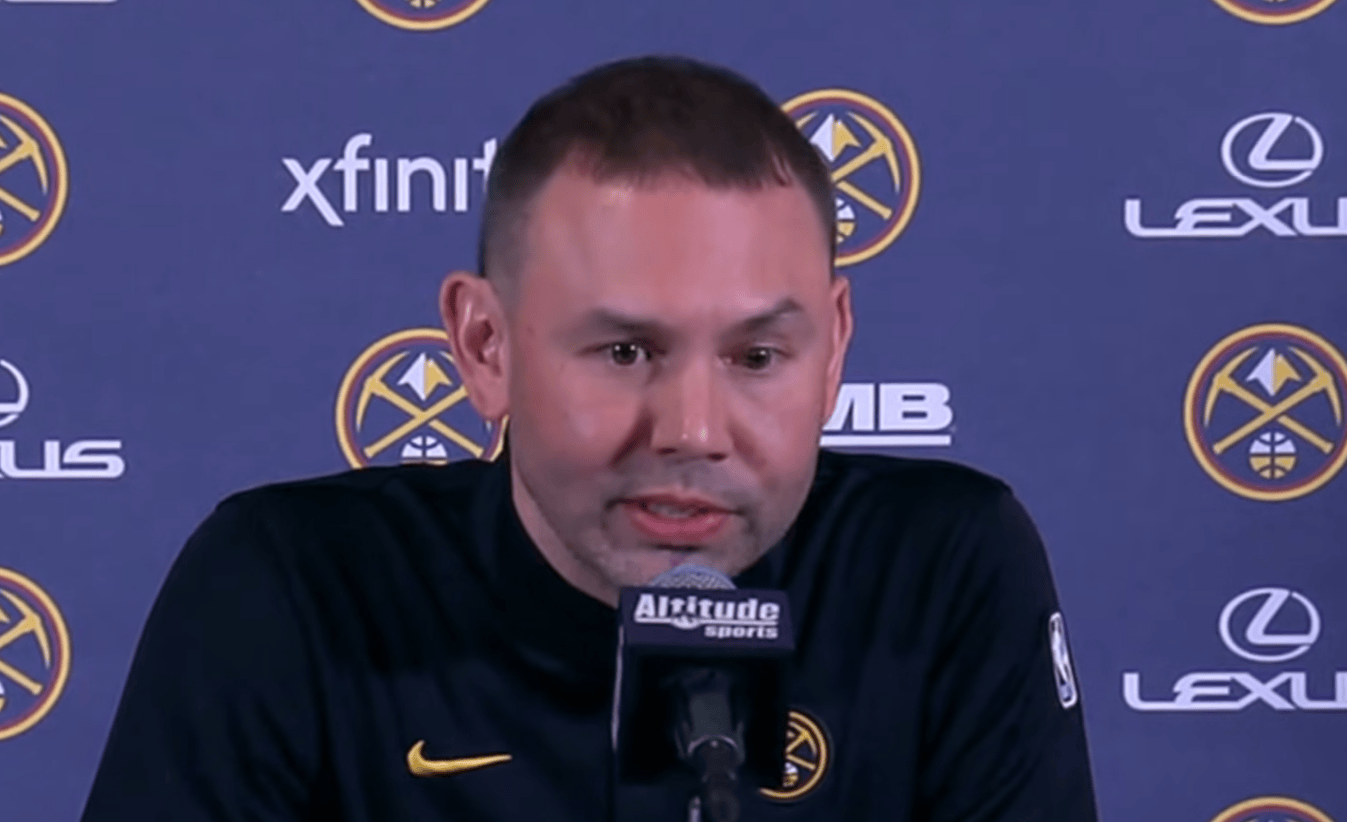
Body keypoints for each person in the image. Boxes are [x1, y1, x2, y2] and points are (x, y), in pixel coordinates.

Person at [82, 56, 1098, 821]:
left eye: (756, 357)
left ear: (833, 349)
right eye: (623, 352)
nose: (692, 432)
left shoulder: (945, 569)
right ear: (484, 347)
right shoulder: (290, 587)